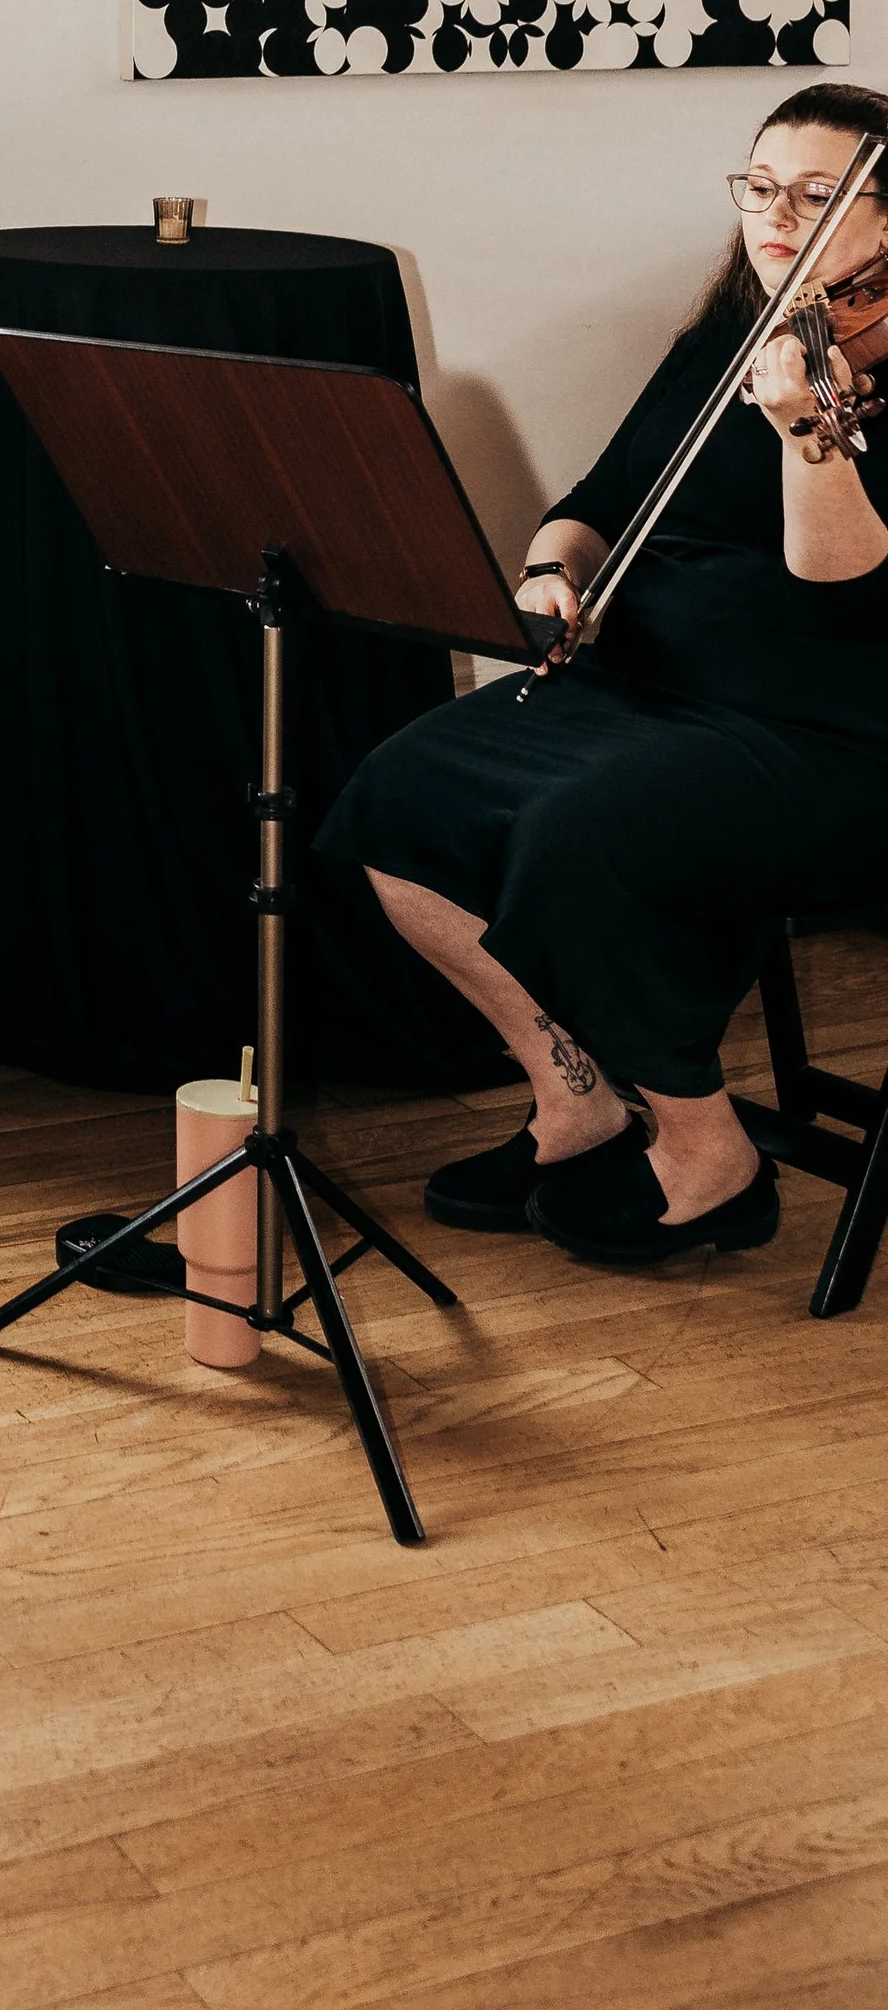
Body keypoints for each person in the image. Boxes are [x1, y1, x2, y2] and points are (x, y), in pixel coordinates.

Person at [321, 80, 888, 1268]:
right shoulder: (723, 334)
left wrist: (804, 432)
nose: (775, 212)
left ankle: (705, 1152)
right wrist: (546, 573)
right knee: (400, 791)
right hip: (641, 682)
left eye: (818, 193)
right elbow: (597, 501)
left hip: (821, 727)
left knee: (575, 839)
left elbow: (832, 573)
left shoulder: (841, 373)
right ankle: (574, 1098)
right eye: (761, 183)